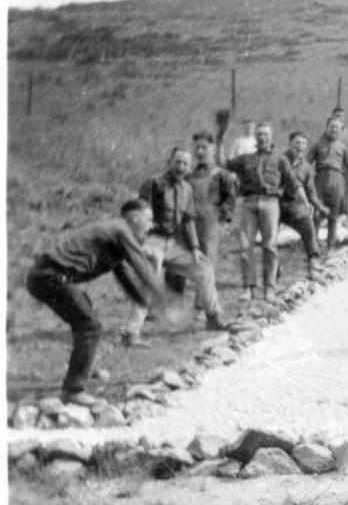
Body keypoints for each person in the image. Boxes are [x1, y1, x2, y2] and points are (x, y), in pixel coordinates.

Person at [26, 199, 175, 407]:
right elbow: (141, 266)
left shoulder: (115, 237)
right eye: (148, 220)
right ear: (134, 219)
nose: (151, 226)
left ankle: (82, 370)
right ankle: (73, 390)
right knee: (89, 326)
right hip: (49, 276)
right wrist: (168, 301)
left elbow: (123, 276)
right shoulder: (120, 229)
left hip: (45, 277)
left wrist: (143, 302)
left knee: (87, 321)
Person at [124, 146, 225, 346]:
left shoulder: (187, 188)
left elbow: (188, 220)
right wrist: (140, 240)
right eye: (177, 162)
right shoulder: (154, 184)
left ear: (190, 167)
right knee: (150, 278)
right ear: (169, 162)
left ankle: (213, 317)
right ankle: (131, 332)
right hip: (151, 241)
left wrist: (195, 247)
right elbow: (136, 214)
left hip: (171, 244)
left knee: (204, 269)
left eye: (186, 164)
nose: (181, 167)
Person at [225, 121, 302, 301]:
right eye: (259, 134)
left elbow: (293, 182)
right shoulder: (246, 159)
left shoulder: (280, 159)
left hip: (270, 203)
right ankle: (248, 288)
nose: (262, 137)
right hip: (249, 203)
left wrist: (305, 202)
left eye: (265, 134)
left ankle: (270, 287)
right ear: (255, 138)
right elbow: (224, 163)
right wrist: (221, 139)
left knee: (270, 246)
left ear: (271, 137)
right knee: (245, 246)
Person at [308, 117, 348, 253]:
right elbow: (305, 163)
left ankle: (330, 246)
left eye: (337, 128)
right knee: (316, 215)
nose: (334, 130)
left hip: (337, 180)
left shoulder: (343, 148)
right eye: (331, 127)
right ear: (326, 128)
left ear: (340, 130)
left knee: (334, 215)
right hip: (320, 179)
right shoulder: (317, 145)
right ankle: (312, 246)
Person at [281, 131, 326, 279]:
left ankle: (313, 261)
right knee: (269, 234)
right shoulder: (279, 160)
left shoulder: (306, 168)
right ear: (290, 144)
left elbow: (311, 192)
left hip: (294, 205)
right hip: (276, 203)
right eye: (297, 143)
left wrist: (319, 206)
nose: (300, 146)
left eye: (303, 144)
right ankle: (273, 266)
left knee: (308, 224)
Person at [187, 130, 237, 263]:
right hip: (188, 218)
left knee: (207, 255)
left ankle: (206, 283)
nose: (201, 151)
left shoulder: (221, 174)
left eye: (204, 148)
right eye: (197, 148)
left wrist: (225, 220)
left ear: (213, 149)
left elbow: (230, 198)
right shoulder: (188, 174)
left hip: (210, 219)